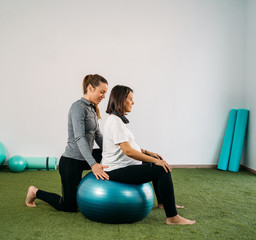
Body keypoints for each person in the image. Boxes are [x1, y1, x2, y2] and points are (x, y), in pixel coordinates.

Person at [101, 85, 196, 225]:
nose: (133, 103)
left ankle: (163, 203)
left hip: (124, 164)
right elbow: (128, 151)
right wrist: (155, 161)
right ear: (121, 100)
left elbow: (128, 145)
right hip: (116, 170)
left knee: (157, 161)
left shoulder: (117, 120)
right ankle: (172, 217)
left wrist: (149, 153)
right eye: (131, 99)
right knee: (161, 169)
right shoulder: (115, 122)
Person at [25, 74, 109, 212]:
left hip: (85, 158)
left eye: (105, 93)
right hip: (72, 161)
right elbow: (79, 137)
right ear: (90, 88)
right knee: (69, 207)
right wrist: (93, 164)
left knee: (112, 157)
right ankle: (35, 192)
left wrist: (112, 152)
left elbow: (98, 135)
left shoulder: (92, 108)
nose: (104, 96)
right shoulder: (78, 107)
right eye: (102, 92)